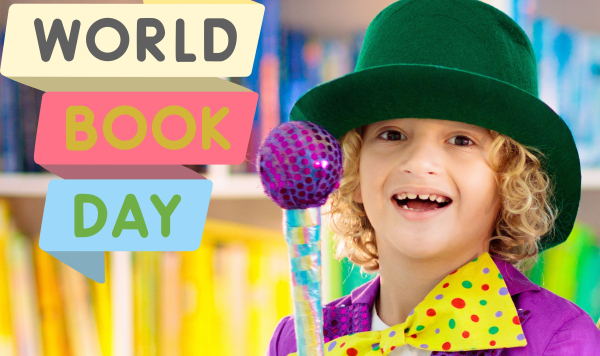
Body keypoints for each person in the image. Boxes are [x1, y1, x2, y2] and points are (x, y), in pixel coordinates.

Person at [267, 0, 600, 355]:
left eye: (461, 140)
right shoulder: (299, 340)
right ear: (353, 171)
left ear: (511, 184)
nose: (419, 162)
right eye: (392, 134)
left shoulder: (557, 338)